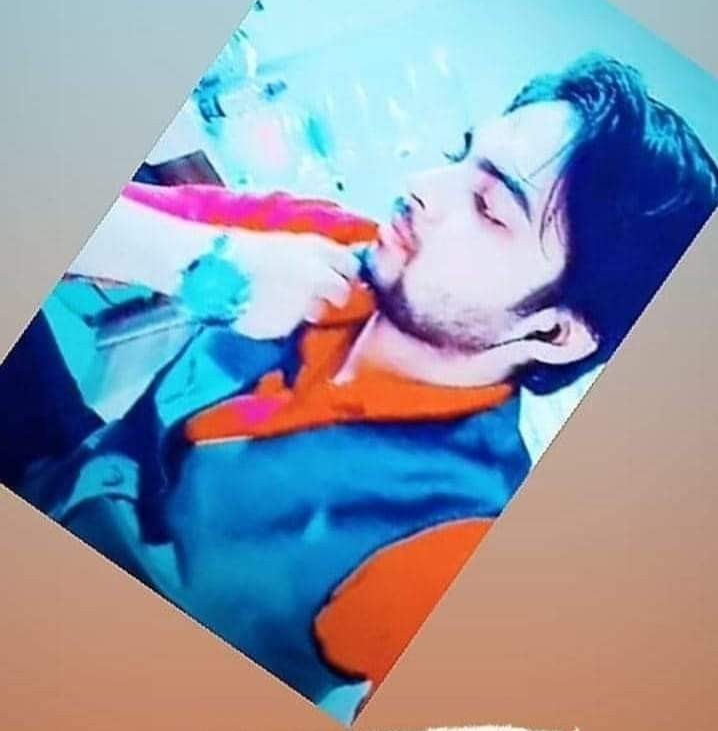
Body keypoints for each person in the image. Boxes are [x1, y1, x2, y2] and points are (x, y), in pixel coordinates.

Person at [2, 54, 717, 720]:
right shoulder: (330, 244)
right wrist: (199, 260)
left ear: (557, 332)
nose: (423, 188)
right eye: (460, 157)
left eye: (489, 207)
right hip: (61, 472)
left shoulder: (455, 537)